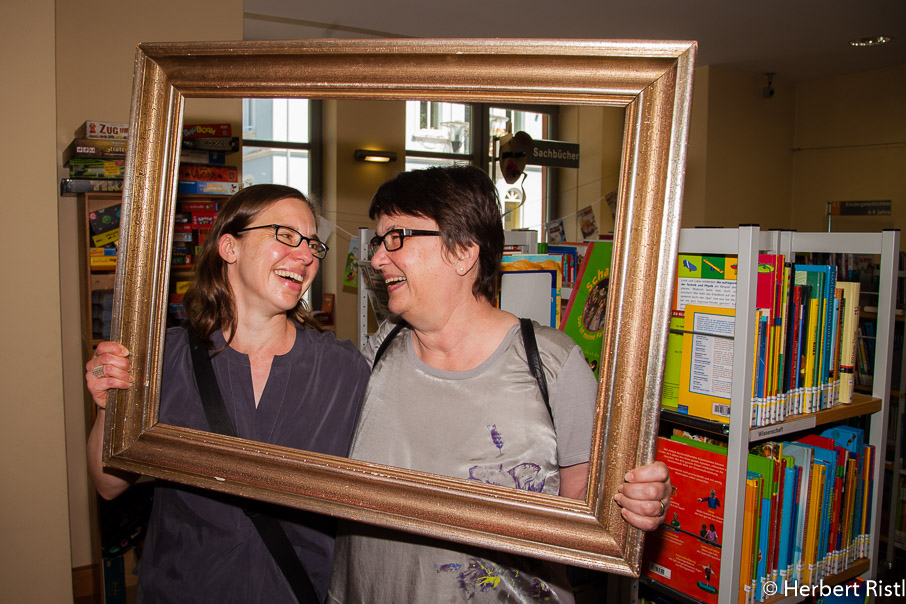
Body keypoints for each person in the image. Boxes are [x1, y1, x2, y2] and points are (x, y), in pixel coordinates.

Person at [327, 165, 671, 603]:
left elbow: (590, 508)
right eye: (379, 241)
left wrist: (635, 501)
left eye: (397, 237)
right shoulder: (375, 356)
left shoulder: (550, 366)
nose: (377, 257)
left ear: (464, 251)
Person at [86, 184, 371, 603]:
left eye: (312, 243)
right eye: (285, 235)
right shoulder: (164, 360)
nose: (307, 255)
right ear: (229, 247)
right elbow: (108, 485)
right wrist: (107, 409)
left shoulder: (342, 371)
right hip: (182, 590)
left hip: (295, 590)